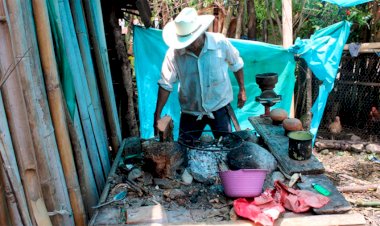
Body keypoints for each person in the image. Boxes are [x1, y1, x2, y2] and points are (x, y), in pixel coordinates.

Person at [154, 7, 246, 143]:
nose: (188, 45)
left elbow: (236, 64)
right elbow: (165, 84)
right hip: (190, 112)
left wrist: (242, 89)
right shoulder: (174, 54)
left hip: (219, 107)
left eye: (191, 40)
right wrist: (157, 114)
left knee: (226, 148)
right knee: (184, 151)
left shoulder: (220, 43)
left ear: (200, 33)